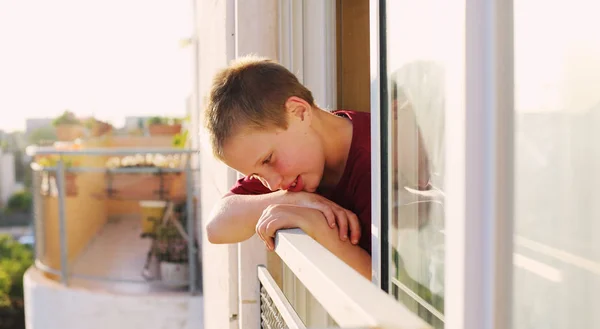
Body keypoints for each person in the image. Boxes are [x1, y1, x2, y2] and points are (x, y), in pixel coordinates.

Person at [203, 56, 372, 278]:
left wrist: (317, 227)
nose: (273, 183)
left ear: (299, 112)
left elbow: (387, 289)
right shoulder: (290, 170)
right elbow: (216, 228)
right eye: (256, 175)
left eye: (267, 160)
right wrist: (292, 200)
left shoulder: (380, 161)